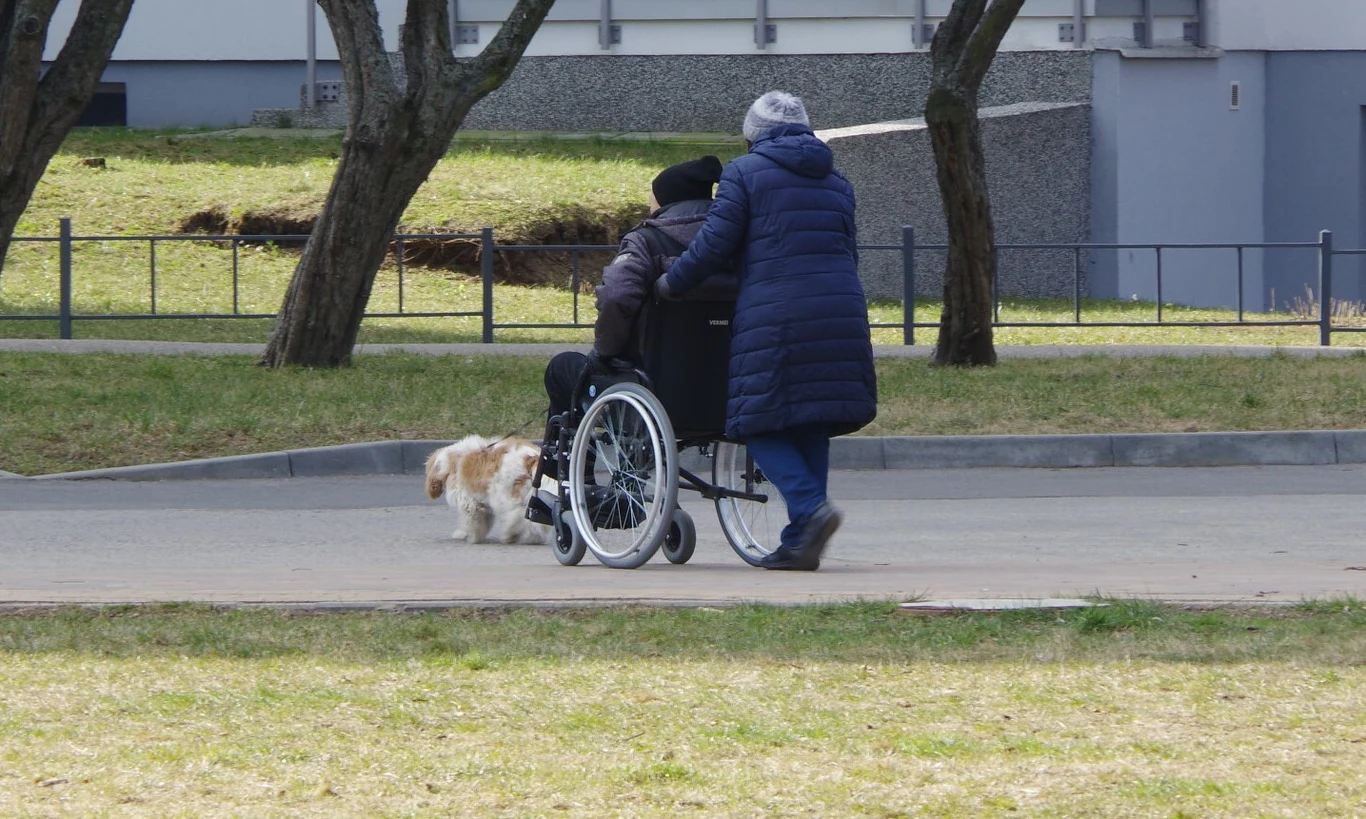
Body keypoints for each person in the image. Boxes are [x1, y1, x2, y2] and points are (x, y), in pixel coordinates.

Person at [654, 90, 877, 571]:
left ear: (753, 133)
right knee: (811, 421)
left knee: (756, 422)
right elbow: (849, 252)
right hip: (840, 307)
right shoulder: (837, 181)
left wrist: (673, 282)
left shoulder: (744, 173)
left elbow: (716, 243)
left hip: (779, 308)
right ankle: (801, 542)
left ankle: (810, 509)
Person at [540, 155, 725, 454]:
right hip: (728, 393)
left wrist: (604, 351)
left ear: (665, 203)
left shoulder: (647, 242)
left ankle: (573, 481)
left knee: (563, 369)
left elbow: (616, 298)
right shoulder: (737, 245)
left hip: (653, 392)